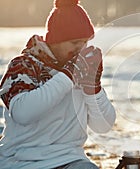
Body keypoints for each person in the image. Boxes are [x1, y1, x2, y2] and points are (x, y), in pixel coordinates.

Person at [0, 0, 116, 168]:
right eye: (74, 43)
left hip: (70, 160)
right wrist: (68, 75)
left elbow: (103, 126)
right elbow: (23, 113)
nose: (81, 48)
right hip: (20, 161)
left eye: (84, 42)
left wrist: (93, 88)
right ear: (55, 40)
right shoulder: (23, 66)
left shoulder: (81, 68)